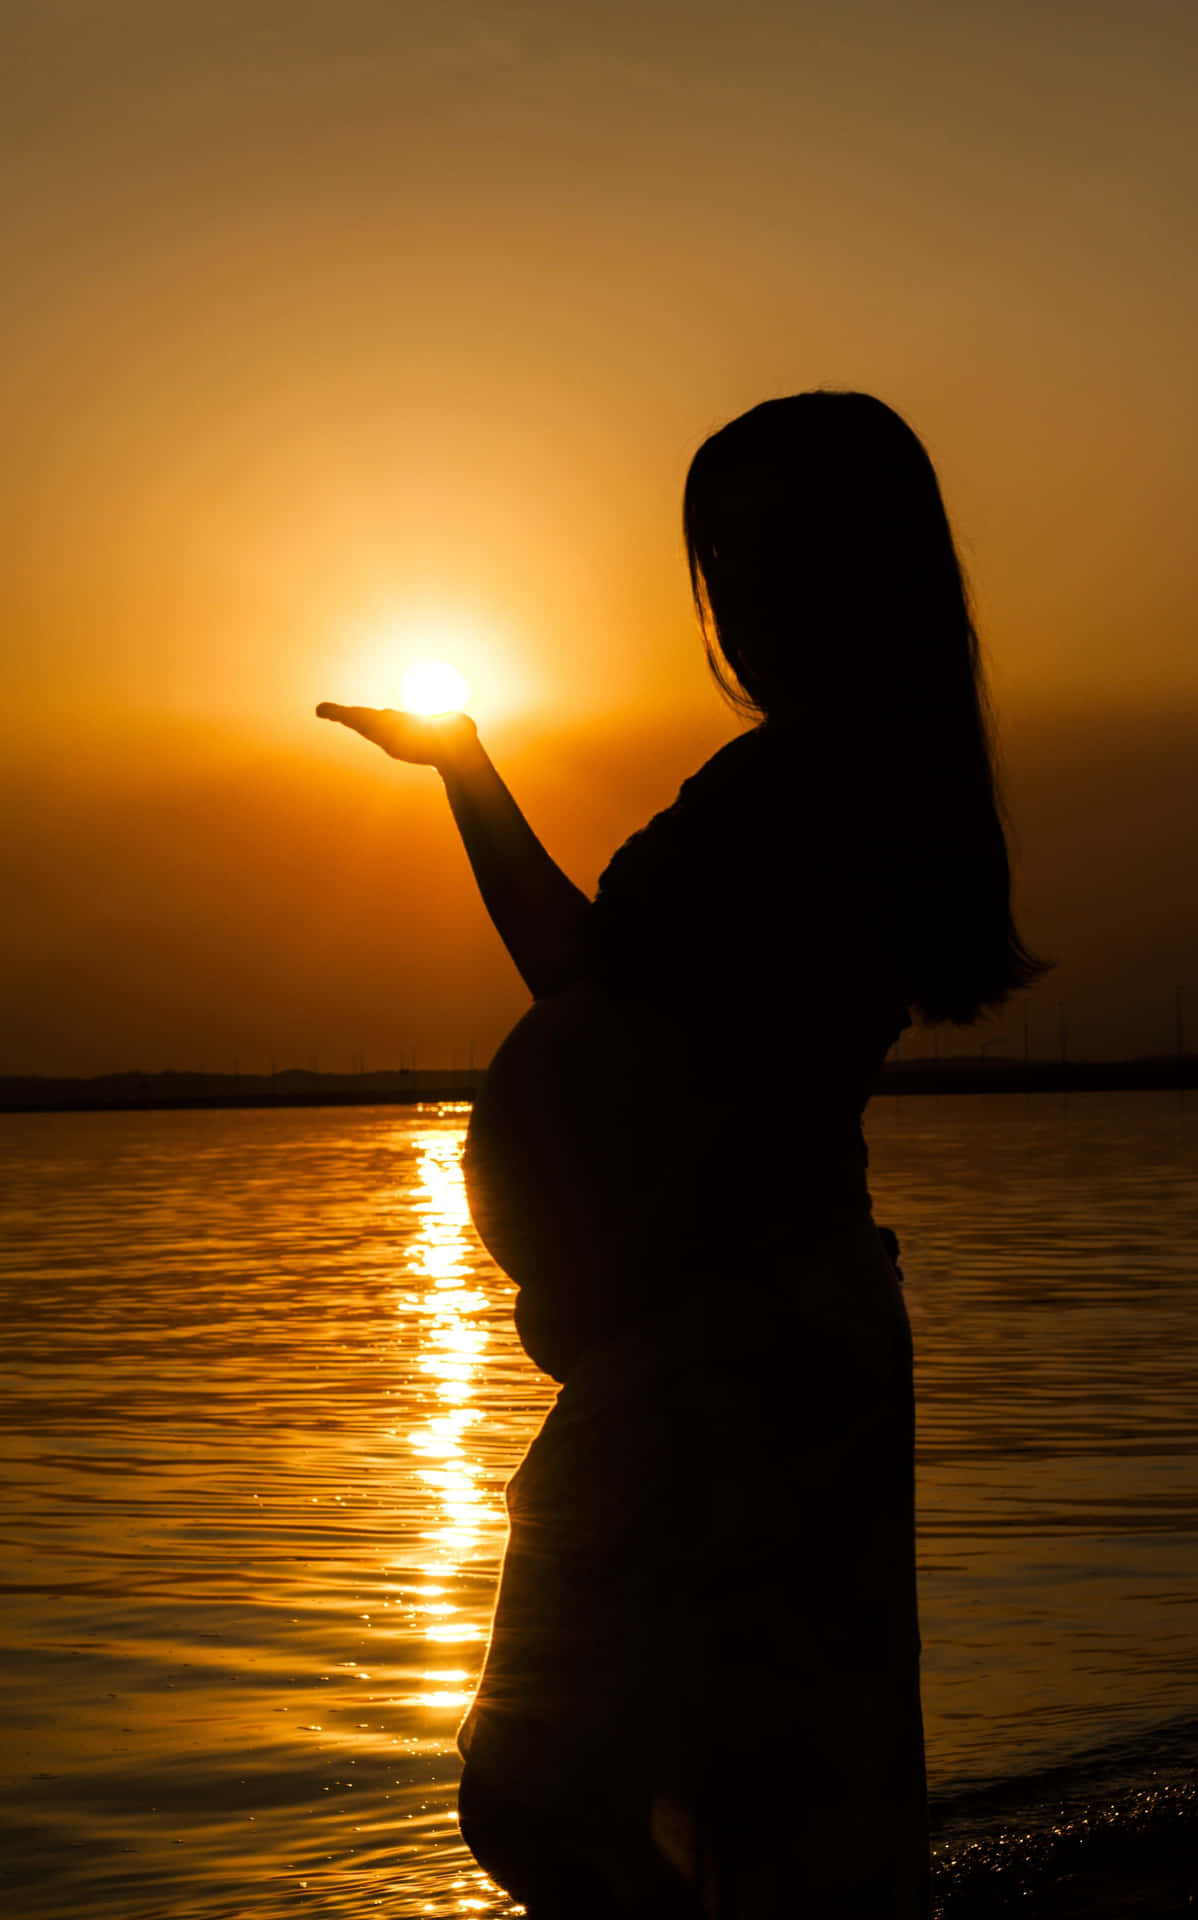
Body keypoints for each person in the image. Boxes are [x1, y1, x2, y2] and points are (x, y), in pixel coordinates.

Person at [317, 389, 1048, 1918]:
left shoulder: (802, 795)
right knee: (763, 1805)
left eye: (790, 553)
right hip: (762, 1335)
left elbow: (656, 1042)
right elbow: (616, 1003)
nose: (754, 598)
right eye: (733, 559)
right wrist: (465, 768)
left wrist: (618, 1265)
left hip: (725, 1354)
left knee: (548, 1790)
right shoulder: (864, 784)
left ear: (868, 572)